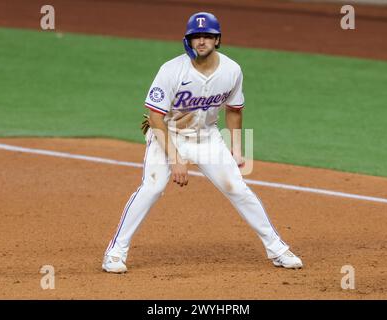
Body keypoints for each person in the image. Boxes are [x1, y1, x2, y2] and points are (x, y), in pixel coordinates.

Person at [102, 12, 303, 273]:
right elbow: (155, 117)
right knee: (152, 188)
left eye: (207, 36)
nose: (201, 41)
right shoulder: (171, 70)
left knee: (237, 188)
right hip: (169, 134)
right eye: (196, 36)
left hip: (207, 137)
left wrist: (237, 147)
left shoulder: (232, 70)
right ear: (188, 40)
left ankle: (277, 249)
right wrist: (176, 160)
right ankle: (115, 254)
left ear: (217, 39)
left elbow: (234, 109)